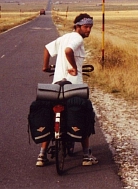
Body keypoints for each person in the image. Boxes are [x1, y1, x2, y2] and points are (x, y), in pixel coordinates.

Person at [36, 13, 98, 167]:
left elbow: (47, 49)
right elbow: (68, 51)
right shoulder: (77, 38)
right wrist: (74, 68)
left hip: (57, 85)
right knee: (83, 113)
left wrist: (45, 67)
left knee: (50, 115)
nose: (88, 30)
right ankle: (86, 155)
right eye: (85, 27)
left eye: (90, 27)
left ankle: (42, 155)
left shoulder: (63, 38)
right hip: (73, 86)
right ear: (77, 26)